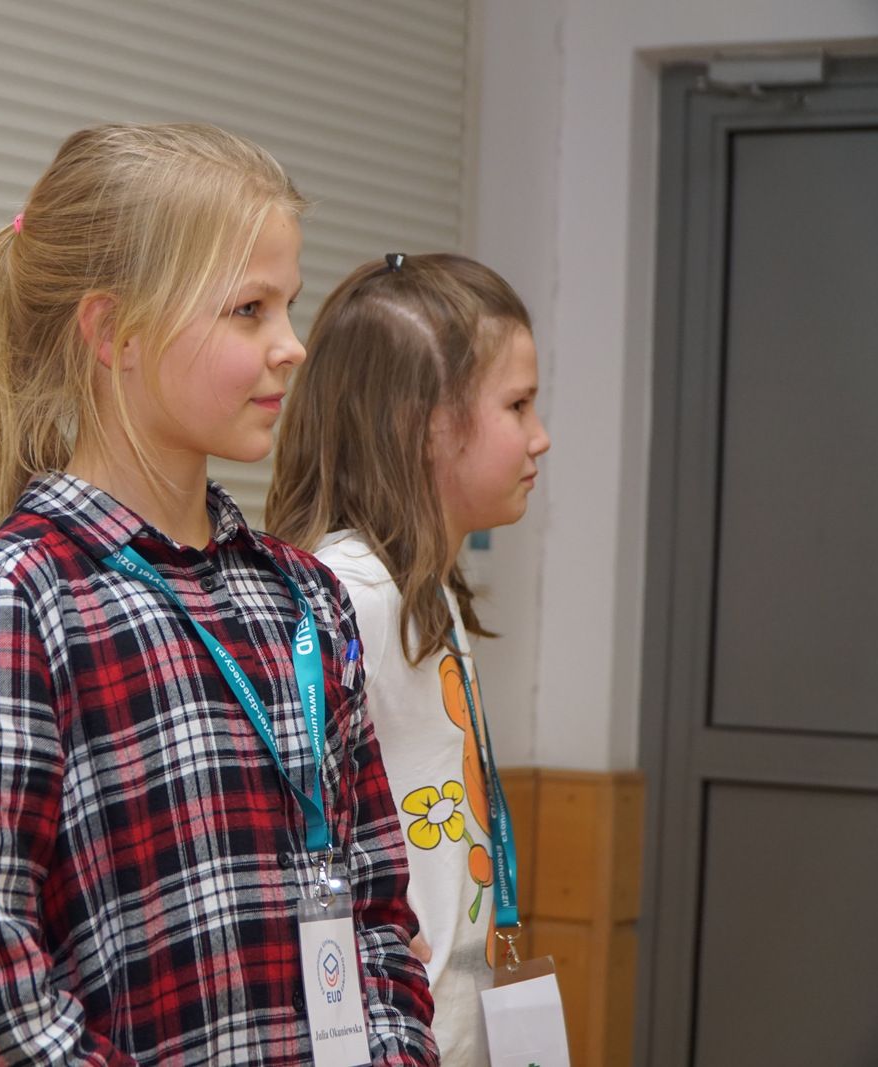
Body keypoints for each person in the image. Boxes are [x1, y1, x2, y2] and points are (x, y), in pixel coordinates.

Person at [0, 124, 437, 1066]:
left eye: (288, 306)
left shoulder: (305, 597)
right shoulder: (14, 601)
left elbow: (379, 910)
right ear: (115, 333)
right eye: (249, 310)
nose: (293, 346)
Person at [266, 253, 551, 1065]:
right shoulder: (350, 593)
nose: (540, 436)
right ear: (424, 425)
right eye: (517, 405)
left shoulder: (427, 591)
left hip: (445, 1028)